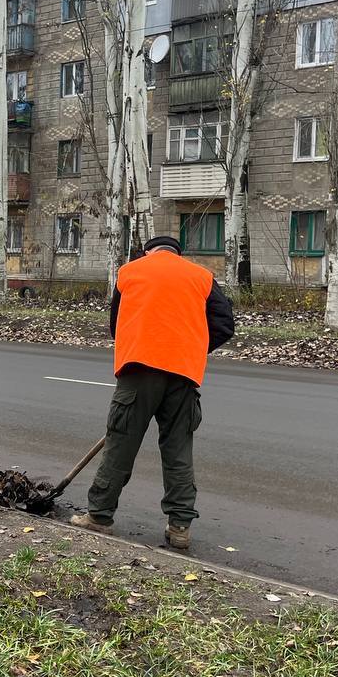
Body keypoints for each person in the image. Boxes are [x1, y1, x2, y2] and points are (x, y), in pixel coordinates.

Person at [70, 235, 235, 550]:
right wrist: (191, 347)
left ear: (147, 251)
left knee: (121, 445)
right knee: (178, 451)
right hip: (183, 375)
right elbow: (224, 324)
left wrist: (138, 344)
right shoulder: (201, 276)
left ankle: (100, 516)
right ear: (177, 254)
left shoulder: (131, 271)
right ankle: (180, 527)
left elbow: (116, 325)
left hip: (138, 372)